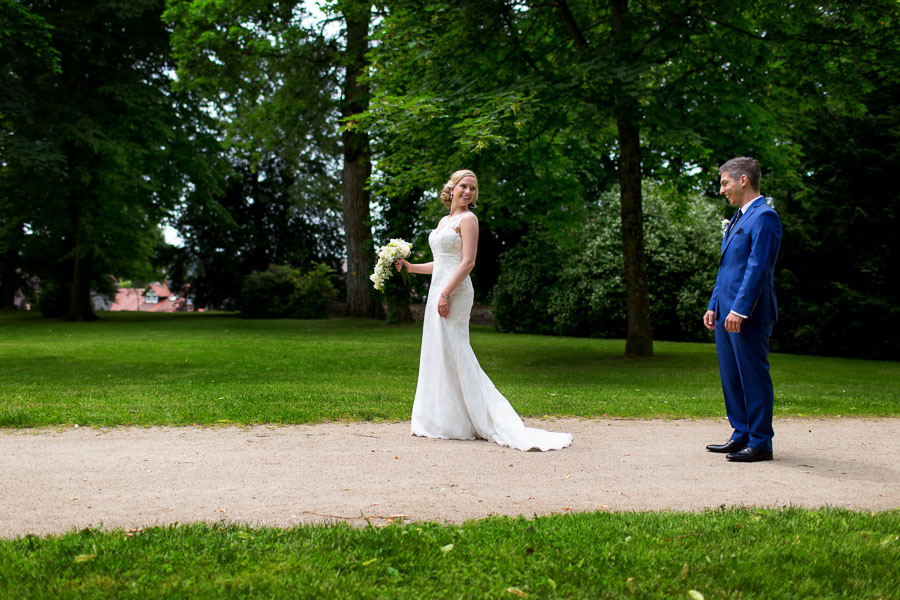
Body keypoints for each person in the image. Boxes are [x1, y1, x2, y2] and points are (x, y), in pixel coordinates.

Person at [396, 169, 572, 451]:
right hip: (440, 289)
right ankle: (443, 419)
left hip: (454, 291)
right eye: (464, 186)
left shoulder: (469, 220)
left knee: (457, 349)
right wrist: (412, 267)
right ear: (451, 189)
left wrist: (445, 292)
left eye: (473, 189)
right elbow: (441, 263)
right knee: (438, 351)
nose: (468, 192)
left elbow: (467, 263)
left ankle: (478, 418)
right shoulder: (444, 221)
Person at [704, 157, 782, 462]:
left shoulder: (765, 217)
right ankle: (741, 434)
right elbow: (726, 269)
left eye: (725, 183)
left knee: (753, 376)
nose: (722, 189)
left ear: (743, 181)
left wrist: (740, 310)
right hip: (726, 313)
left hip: (748, 314)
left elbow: (758, 268)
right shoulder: (737, 219)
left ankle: (761, 441)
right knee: (731, 377)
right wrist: (715, 306)